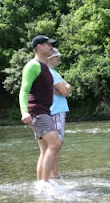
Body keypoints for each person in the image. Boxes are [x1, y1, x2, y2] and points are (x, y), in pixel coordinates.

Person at [19, 34, 62, 182]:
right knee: (55, 143)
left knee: (45, 150)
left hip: (44, 111)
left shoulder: (44, 67)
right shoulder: (33, 65)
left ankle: (40, 185)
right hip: (37, 111)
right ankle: (45, 185)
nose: (51, 47)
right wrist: (24, 111)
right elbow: (24, 90)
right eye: (48, 44)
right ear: (39, 46)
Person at [47, 48, 72, 178]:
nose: (59, 59)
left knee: (53, 146)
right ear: (51, 57)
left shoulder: (53, 72)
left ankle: (53, 175)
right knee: (56, 145)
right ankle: (54, 175)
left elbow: (67, 88)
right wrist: (65, 87)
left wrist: (65, 87)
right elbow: (66, 91)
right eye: (57, 57)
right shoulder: (52, 73)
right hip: (56, 111)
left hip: (53, 111)